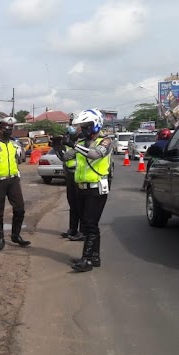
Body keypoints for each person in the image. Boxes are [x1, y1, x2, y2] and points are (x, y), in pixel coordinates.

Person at [55, 109, 113, 272]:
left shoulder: (106, 141)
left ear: (95, 125)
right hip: (81, 188)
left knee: (89, 224)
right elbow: (66, 158)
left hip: (97, 189)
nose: (82, 129)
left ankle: (86, 259)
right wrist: (58, 146)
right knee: (89, 224)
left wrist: (73, 145)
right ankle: (94, 258)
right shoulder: (80, 144)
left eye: (85, 126)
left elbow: (95, 155)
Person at [0, 117, 31, 250]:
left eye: (10, 129)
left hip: (13, 180)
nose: (8, 132)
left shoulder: (13, 143)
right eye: (6, 129)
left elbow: (20, 159)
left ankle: (16, 235)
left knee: (20, 208)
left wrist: (21, 149)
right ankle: (0, 238)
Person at [54, 117, 85, 241]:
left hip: (80, 175)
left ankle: (82, 232)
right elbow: (63, 157)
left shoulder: (82, 141)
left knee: (81, 205)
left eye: (75, 126)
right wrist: (57, 146)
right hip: (70, 175)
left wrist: (69, 145)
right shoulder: (68, 139)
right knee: (72, 204)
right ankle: (73, 229)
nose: (72, 128)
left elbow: (68, 156)